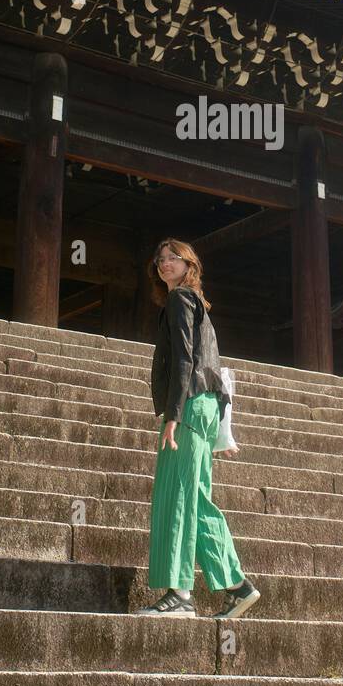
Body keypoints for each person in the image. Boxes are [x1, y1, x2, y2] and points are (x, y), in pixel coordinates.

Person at [135, 238, 260, 619]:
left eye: (173, 258)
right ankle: (238, 587)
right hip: (203, 406)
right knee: (197, 498)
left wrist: (173, 414)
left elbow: (186, 360)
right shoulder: (197, 305)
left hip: (188, 405)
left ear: (189, 263)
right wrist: (221, 429)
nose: (164, 263)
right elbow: (215, 371)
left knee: (176, 495)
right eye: (159, 259)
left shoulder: (179, 300)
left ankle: (180, 595)